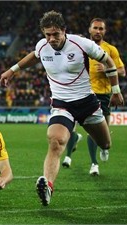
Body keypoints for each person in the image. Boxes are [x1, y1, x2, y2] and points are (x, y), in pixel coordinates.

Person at [0, 10, 124, 206]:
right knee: (55, 141)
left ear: (64, 31)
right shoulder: (43, 45)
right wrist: (12, 70)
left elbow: (108, 61)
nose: (51, 39)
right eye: (47, 34)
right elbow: (34, 56)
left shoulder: (82, 44)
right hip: (61, 104)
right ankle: (48, 185)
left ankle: (81, 138)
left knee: (105, 143)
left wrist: (116, 90)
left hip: (87, 103)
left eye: (55, 34)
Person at [62, 18, 126, 175]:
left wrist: (106, 69)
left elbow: (122, 71)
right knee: (70, 127)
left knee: (100, 133)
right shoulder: (81, 47)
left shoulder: (110, 50)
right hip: (82, 92)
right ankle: (92, 163)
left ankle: (102, 149)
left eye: (101, 29)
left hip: (103, 94)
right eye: (95, 28)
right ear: (89, 30)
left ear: (105, 31)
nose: (98, 31)